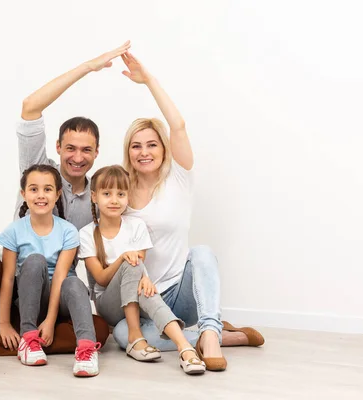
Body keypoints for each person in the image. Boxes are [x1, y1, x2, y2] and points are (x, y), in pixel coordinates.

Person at [0, 42, 132, 382]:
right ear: (57, 148)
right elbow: (29, 107)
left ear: (97, 153)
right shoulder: (40, 172)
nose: (77, 156)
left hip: (52, 299)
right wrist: (87, 67)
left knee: (100, 330)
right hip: (10, 291)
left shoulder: (99, 200)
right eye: (70, 148)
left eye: (86, 150)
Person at [111, 51, 265, 371]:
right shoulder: (119, 191)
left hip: (182, 292)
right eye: (136, 145)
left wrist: (148, 80)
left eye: (152, 144)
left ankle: (209, 332)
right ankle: (221, 335)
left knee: (203, 252)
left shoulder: (178, 178)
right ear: (128, 151)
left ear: (163, 148)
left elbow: (177, 125)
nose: (144, 152)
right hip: (145, 299)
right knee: (124, 335)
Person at [79, 165, 206, 374]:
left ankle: (185, 348)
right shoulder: (86, 233)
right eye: (107, 194)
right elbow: (101, 279)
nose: (114, 200)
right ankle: (135, 336)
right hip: (109, 304)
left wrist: (146, 279)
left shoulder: (136, 225)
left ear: (128, 196)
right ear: (94, 196)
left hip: (135, 290)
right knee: (131, 263)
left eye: (121, 194)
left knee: (148, 292)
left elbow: (139, 266)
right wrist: (121, 259)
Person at [0, 164, 100, 376]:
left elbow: (61, 276)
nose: (41, 195)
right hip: (30, 299)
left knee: (73, 282)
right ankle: (29, 337)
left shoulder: (68, 231)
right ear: (23, 194)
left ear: (57, 194)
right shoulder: (14, 231)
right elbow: (7, 279)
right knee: (35, 261)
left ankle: (87, 349)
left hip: (60, 301)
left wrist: (51, 321)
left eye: (48, 189)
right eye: (34, 189)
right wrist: (4, 324)